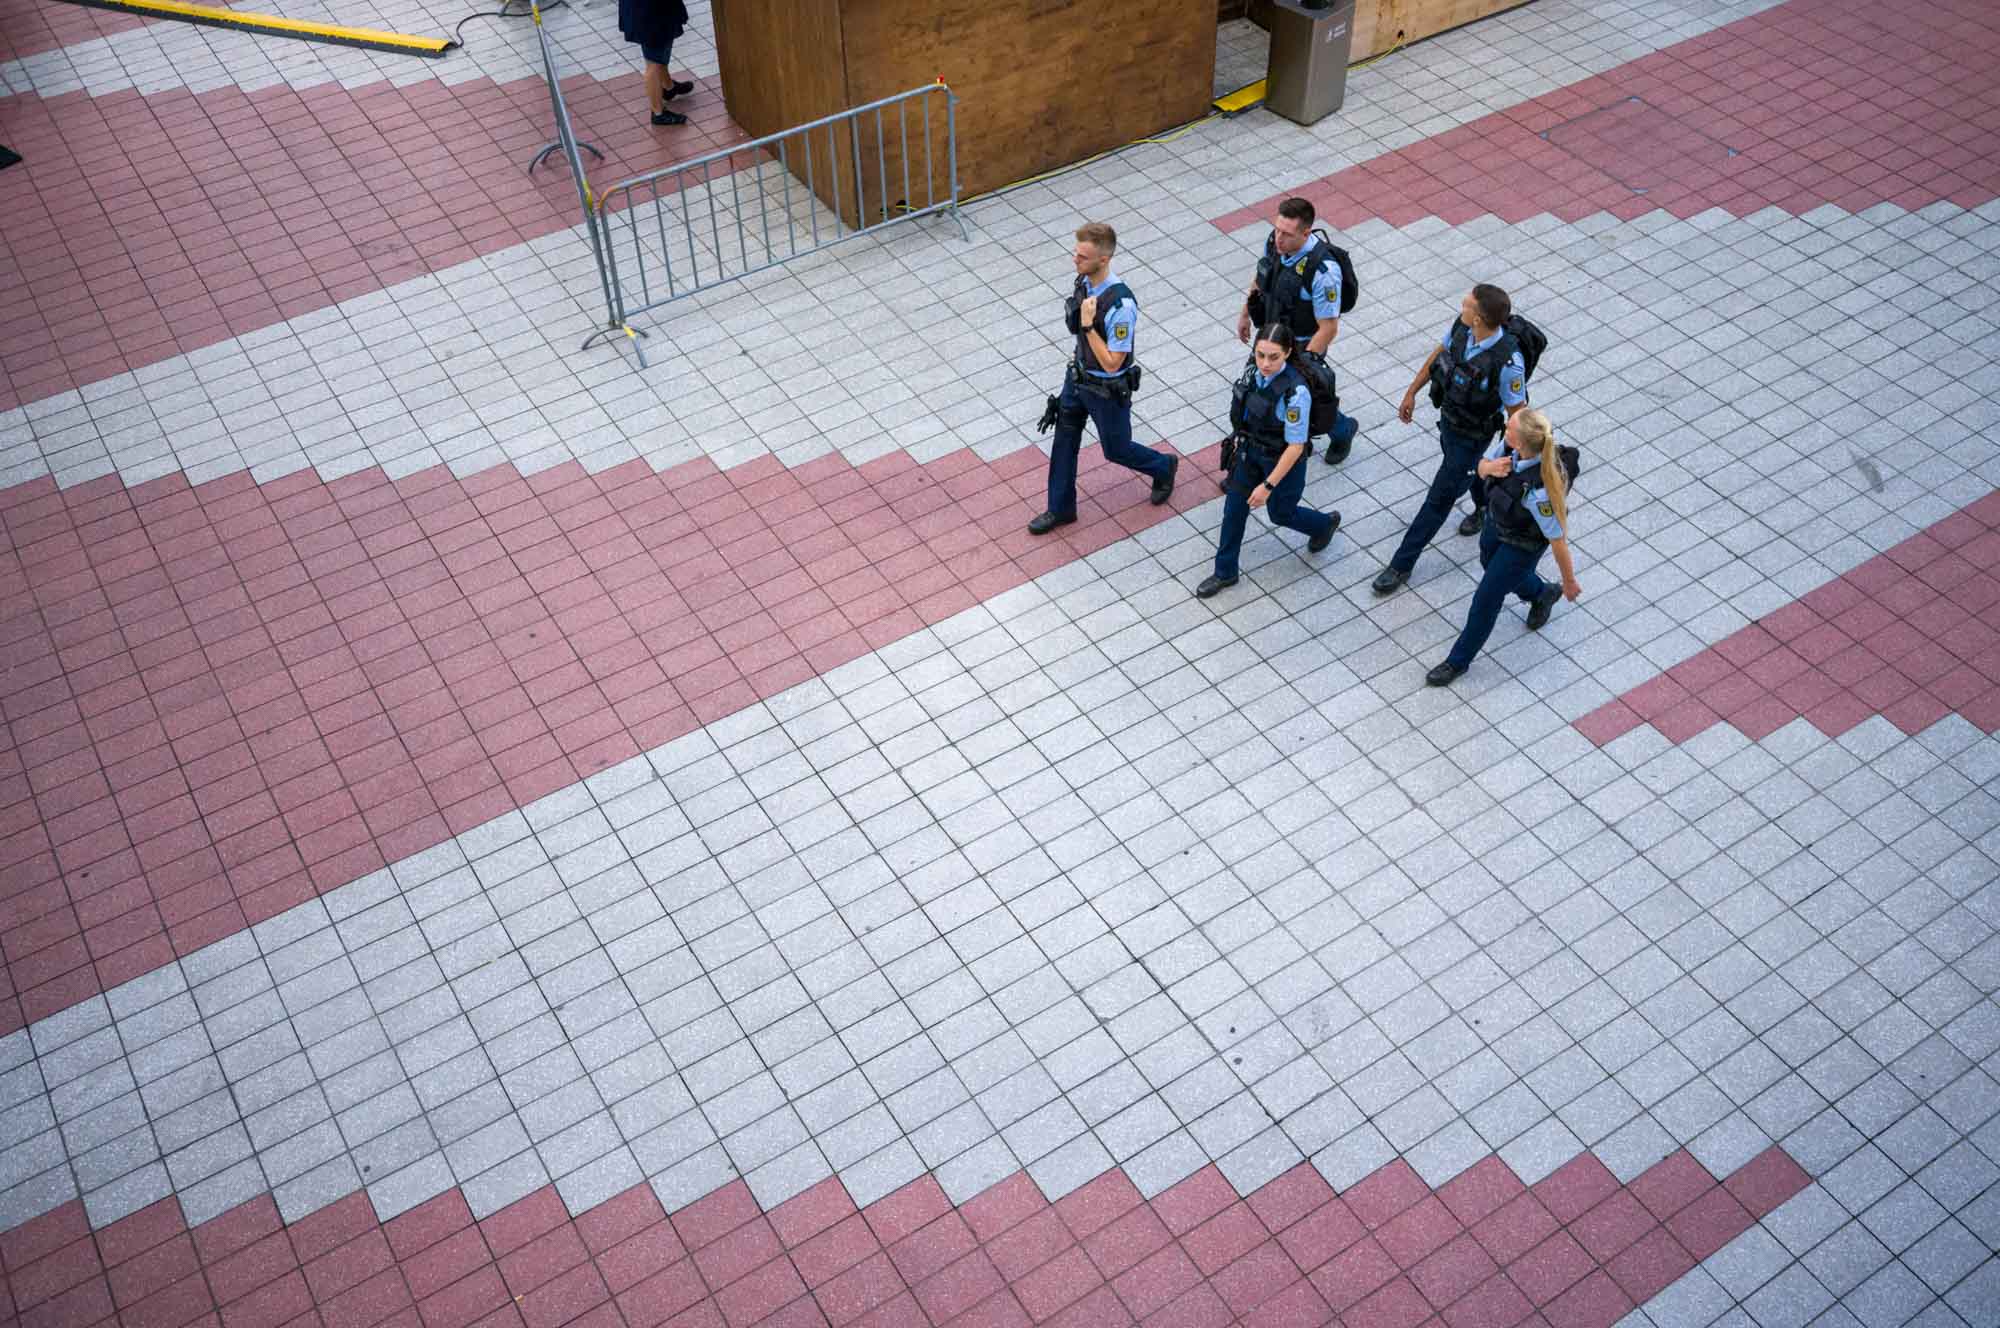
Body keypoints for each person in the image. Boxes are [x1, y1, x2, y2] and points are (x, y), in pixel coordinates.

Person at [1371, 284, 1528, 596]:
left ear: (1480, 319)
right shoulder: (1463, 329)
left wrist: (1513, 458)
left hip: (1473, 436)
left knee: (1438, 500)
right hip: (1450, 423)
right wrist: (1411, 392)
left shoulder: (1507, 363)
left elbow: (1518, 414)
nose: (1462, 307)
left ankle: (1401, 564)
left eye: (1467, 305)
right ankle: (1483, 506)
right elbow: (1440, 355)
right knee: (1466, 472)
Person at [1028, 222, 1179, 535]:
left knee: (1116, 449)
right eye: (1076, 253)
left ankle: (1163, 466)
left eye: (1083, 256)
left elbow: (1113, 362)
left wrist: (1086, 327)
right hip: (1077, 379)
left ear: (1104, 260)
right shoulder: (1084, 281)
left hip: (1106, 389)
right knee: (1064, 440)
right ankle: (1060, 508)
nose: (1075, 260)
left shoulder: (1121, 306)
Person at [1425, 408, 1580, 685]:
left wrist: (1570, 582)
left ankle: (1457, 662)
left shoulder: (1539, 492)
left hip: (1521, 545)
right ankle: (1542, 593)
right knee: (1490, 566)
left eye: (1509, 428)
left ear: (1521, 442)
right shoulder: (1511, 447)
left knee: (1486, 599)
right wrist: (1488, 468)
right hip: (1497, 527)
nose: (1505, 429)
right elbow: (1482, 466)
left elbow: (1557, 540)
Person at [1198, 325, 1340, 597]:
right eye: (1260, 354)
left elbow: (1296, 447)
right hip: (1249, 454)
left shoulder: (1296, 394)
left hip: (1282, 463)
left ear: (1287, 352)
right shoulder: (1253, 371)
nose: (1265, 363)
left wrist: (1268, 486)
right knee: (1233, 511)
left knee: (1280, 513)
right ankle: (1225, 572)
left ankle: (1324, 525)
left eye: (1274, 357)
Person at [1236, 197, 1359, 464]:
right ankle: (1245, 467)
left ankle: (1343, 429)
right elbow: (1262, 274)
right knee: (1253, 394)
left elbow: (1328, 327)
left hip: (1302, 346)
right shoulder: (1275, 243)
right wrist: (1245, 313)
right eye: (1277, 229)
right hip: (1270, 338)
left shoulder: (1323, 271)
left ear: (1306, 232)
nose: (1278, 239)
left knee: (1302, 398)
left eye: (1287, 234)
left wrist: (1304, 367)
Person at [619, 0, 694, 126]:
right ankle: (658, 113)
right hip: (649, 12)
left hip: (653, 10)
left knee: (660, 50)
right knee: (653, 61)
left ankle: (668, 87)